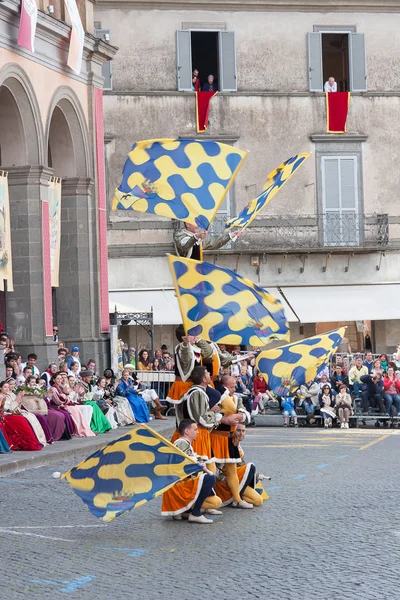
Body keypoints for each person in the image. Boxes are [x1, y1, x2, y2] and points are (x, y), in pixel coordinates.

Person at [161, 419, 222, 524]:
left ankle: (185, 511)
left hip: (181, 482)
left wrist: (199, 461)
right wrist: (200, 465)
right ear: (187, 431)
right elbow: (183, 464)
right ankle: (195, 513)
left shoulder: (184, 443)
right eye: (195, 429)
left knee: (215, 501)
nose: (198, 432)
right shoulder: (181, 442)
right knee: (210, 478)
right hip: (179, 484)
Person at [210, 375, 252, 509]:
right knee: (211, 470)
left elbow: (244, 413)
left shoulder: (236, 399)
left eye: (235, 386)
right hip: (216, 437)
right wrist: (224, 419)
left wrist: (240, 416)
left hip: (230, 439)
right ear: (224, 387)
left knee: (232, 470)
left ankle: (237, 499)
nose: (234, 389)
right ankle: (209, 500)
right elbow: (210, 417)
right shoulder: (218, 398)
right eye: (232, 386)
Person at [214, 423, 268, 507]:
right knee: (251, 467)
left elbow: (242, 467)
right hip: (223, 483)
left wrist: (256, 475)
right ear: (232, 430)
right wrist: (222, 478)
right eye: (238, 430)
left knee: (258, 501)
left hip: (236, 480)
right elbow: (213, 467)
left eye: (243, 431)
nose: (241, 433)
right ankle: (236, 499)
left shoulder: (238, 447)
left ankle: (235, 498)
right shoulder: (222, 444)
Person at [0, 380, 43, 451]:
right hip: (5, 415)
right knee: (21, 420)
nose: (7, 389)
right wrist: (17, 401)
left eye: (8, 387)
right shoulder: (1, 397)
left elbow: (16, 407)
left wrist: (18, 401)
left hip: (13, 413)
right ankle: (27, 442)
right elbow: (7, 409)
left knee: (29, 417)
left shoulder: (10, 395)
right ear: (0, 388)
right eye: (5, 387)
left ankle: (35, 440)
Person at [173, 221, 243, 261]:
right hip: (185, 273)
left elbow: (214, 242)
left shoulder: (199, 238)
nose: (198, 225)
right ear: (187, 224)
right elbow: (185, 245)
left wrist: (231, 235)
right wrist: (196, 236)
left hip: (197, 271)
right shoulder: (179, 235)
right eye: (195, 223)